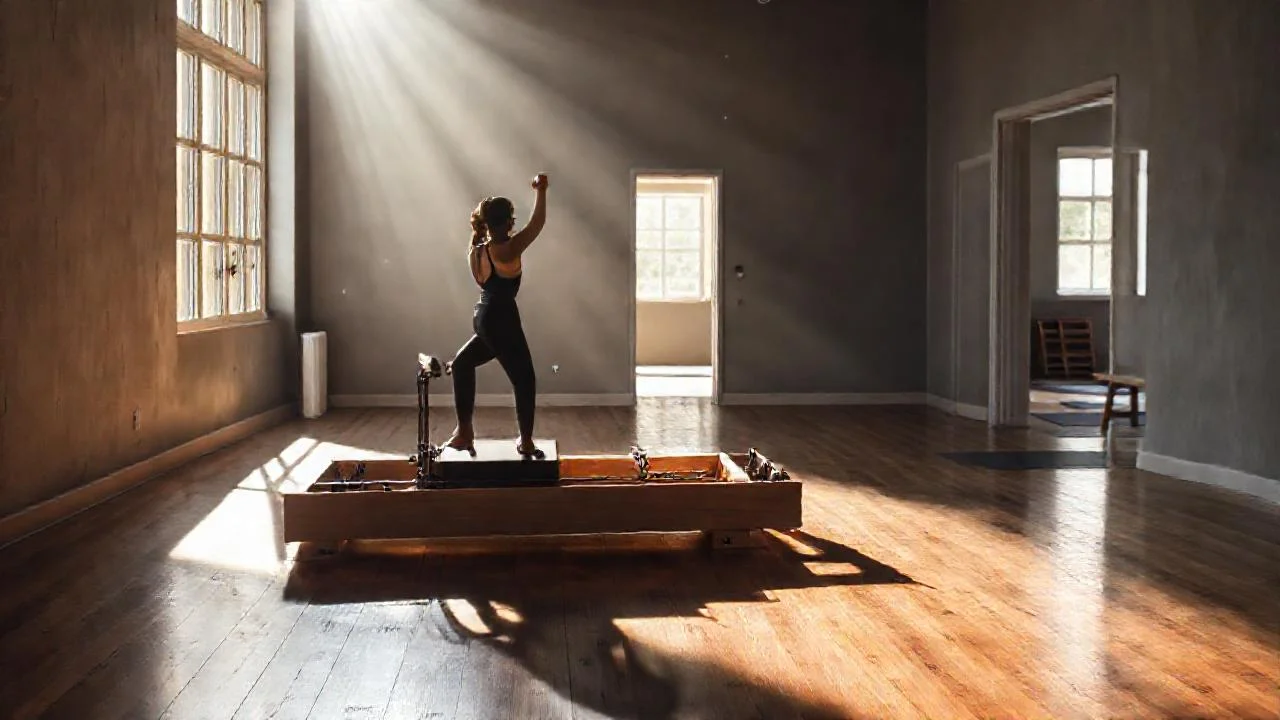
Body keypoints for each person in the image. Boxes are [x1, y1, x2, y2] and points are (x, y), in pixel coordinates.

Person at [445, 173, 549, 458]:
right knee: (525, 379)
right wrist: (541, 190)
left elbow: (484, 284)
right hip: (502, 318)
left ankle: (464, 432)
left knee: (463, 363)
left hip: (483, 317)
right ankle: (526, 442)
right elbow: (537, 224)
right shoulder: (507, 249)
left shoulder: (475, 251)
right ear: (508, 223)